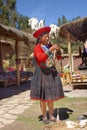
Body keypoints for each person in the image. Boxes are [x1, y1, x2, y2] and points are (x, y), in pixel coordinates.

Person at [30, 26, 64, 124]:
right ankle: (44, 116)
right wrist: (51, 49)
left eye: (48, 36)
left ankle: (52, 115)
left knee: (51, 95)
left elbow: (58, 57)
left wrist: (57, 51)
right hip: (42, 75)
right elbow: (40, 58)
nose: (47, 38)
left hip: (51, 73)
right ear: (40, 38)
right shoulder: (37, 48)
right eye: (45, 37)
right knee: (43, 97)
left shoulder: (50, 46)